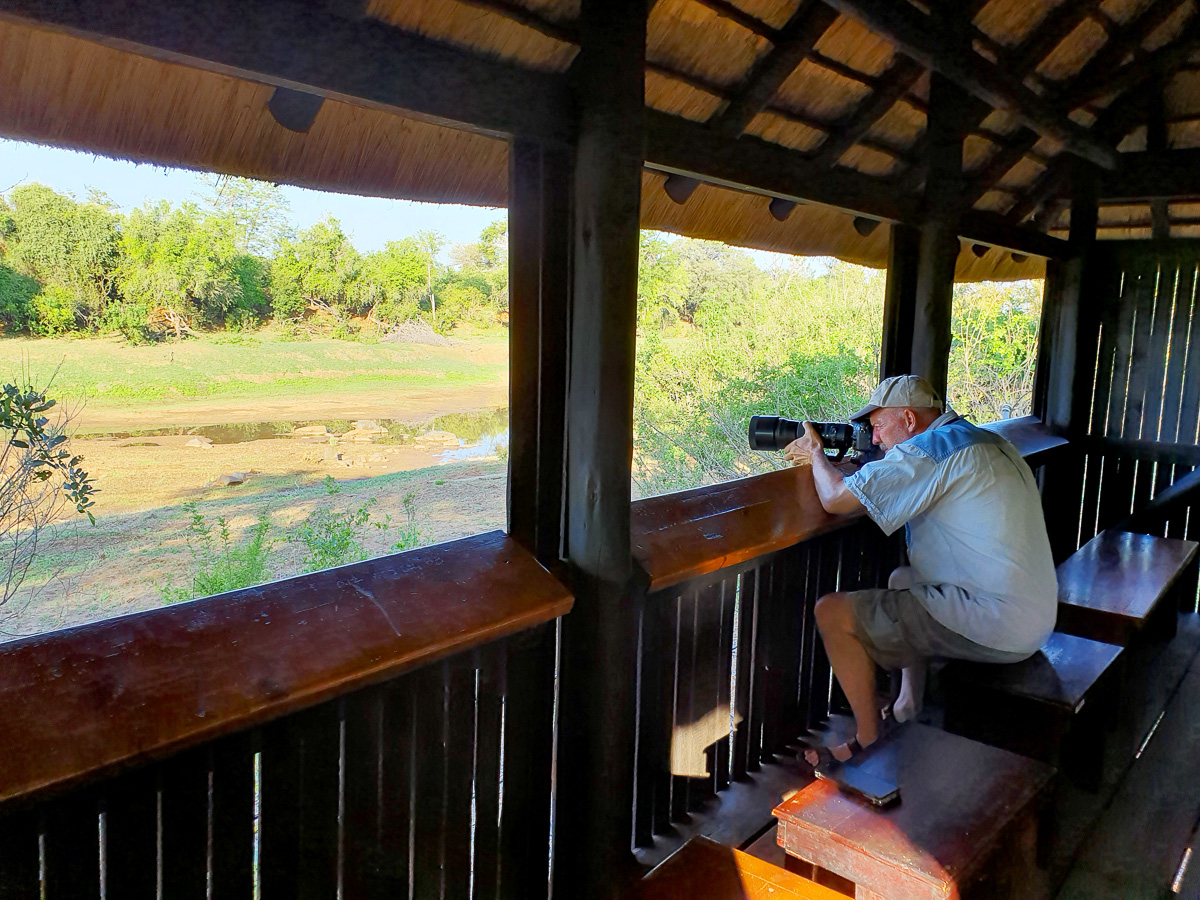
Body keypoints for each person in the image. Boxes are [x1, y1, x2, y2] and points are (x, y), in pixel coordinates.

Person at [783, 374, 1057, 767]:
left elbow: (836, 498)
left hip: (998, 624)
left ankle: (867, 738)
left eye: (879, 426)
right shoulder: (982, 440)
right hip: (1033, 617)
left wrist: (816, 455)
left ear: (909, 420)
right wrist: (854, 467)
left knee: (832, 613)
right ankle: (907, 703)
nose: (876, 438)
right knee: (902, 579)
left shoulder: (929, 451)